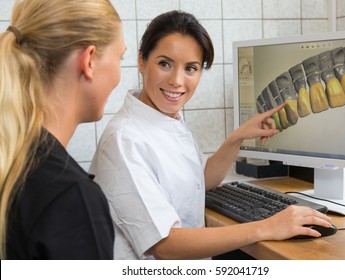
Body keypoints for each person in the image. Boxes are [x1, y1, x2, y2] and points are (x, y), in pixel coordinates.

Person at [89, 10, 332, 260]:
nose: (176, 80)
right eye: (164, 64)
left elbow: (199, 182)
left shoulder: (167, 120)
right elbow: (164, 244)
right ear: (142, 61)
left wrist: (236, 138)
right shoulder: (125, 139)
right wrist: (266, 227)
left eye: (191, 68)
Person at [0, 0, 126, 260]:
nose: (118, 73)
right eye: (119, 57)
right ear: (89, 60)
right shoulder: (71, 199)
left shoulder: (11, 159)